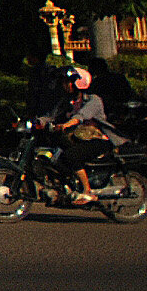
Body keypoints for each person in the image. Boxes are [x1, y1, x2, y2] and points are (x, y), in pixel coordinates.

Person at [41, 64, 116, 206]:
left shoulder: (93, 100)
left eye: (67, 82)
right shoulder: (67, 101)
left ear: (78, 83)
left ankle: (87, 191)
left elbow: (81, 116)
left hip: (98, 139)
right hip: (77, 139)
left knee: (72, 156)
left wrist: (66, 125)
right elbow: (51, 116)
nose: (64, 85)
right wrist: (37, 122)